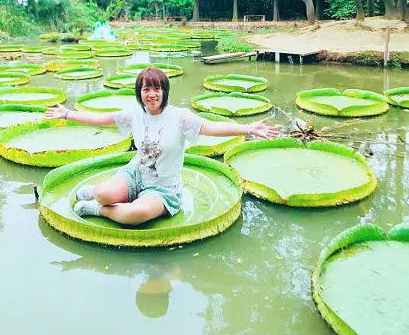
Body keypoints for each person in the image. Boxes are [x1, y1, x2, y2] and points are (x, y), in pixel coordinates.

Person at [43, 66, 279, 225]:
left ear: (164, 91)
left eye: (157, 88)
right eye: (146, 89)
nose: (152, 94)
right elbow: (103, 119)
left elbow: (210, 127)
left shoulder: (180, 117)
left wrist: (248, 128)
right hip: (135, 175)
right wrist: (67, 114)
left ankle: (95, 209)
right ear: (140, 93)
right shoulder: (135, 114)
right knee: (104, 193)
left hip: (164, 189)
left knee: (136, 214)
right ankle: (99, 195)